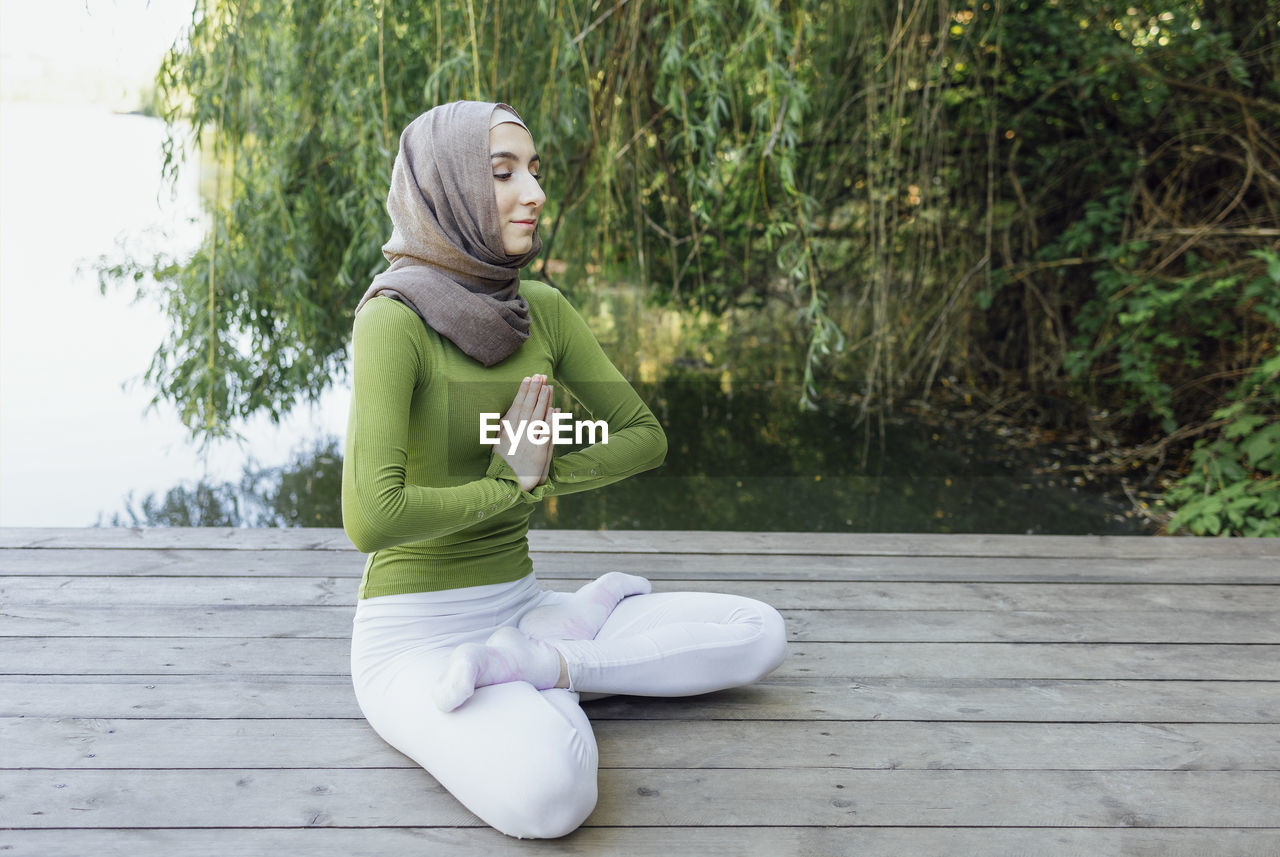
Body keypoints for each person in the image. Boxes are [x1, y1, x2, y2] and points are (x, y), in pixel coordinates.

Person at [341, 100, 787, 840]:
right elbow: (372, 516)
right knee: (551, 798)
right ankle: (560, 665)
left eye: (536, 170)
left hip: (524, 605)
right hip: (413, 637)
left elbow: (644, 437)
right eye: (502, 173)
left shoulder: (541, 309)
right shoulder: (392, 321)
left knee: (759, 630)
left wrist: (538, 466)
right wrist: (504, 481)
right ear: (446, 189)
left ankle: (546, 664)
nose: (535, 191)